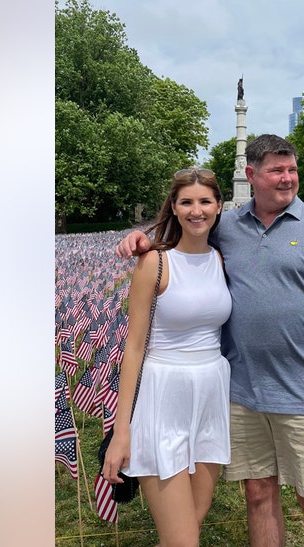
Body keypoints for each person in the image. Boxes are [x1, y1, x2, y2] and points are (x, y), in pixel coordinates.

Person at [116, 135, 304, 547]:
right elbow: (185, 239)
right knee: (258, 494)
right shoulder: (226, 227)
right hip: (241, 392)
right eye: (276, 171)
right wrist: (142, 239)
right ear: (250, 175)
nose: (287, 179)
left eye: (292, 170)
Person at [101, 167, 233, 547]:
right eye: (186, 202)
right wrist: (121, 432)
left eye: (205, 201)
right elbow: (134, 348)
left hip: (210, 398)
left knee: (193, 521)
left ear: (219, 206)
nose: (197, 210)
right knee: (183, 541)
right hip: (163, 399)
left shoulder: (221, 259)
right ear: (173, 208)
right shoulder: (155, 263)